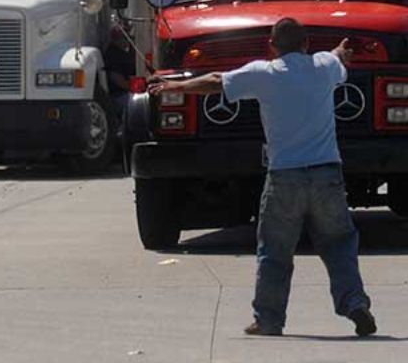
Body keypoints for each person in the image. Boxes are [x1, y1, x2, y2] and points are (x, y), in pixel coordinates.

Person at [150, 18, 376, 337]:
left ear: (272, 45)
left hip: (284, 175)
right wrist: (340, 50)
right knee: (339, 243)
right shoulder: (324, 66)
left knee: (275, 249)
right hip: (327, 173)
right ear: (306, 44)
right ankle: (354, 302)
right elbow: (338, 58)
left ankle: (269, 320)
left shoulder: (263, 73)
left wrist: (176, 86)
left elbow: (216, 81)